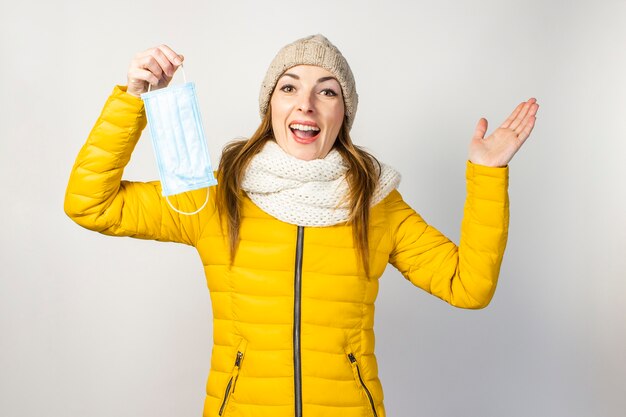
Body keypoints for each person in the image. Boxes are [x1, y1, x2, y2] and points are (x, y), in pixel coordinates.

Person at [64, 34, 539, 417]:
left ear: (343, 113)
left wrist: (488, 175)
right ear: (271, 106)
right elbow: (91, 204)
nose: (306, 103)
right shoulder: (217, 197)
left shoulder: (377, 205)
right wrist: (133, 100)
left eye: (326, 91)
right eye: (289, 87)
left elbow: (469, 286)